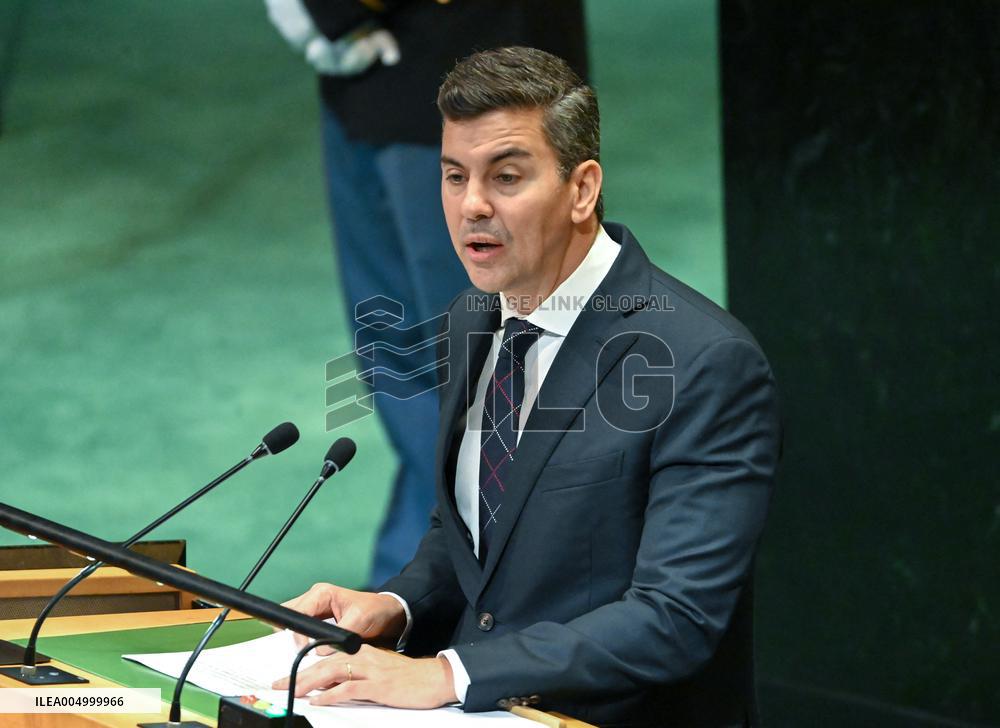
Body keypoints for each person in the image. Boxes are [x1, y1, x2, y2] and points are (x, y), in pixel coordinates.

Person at [274, 47, 782, 727]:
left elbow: (674, 619)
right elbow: (476, 538)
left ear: (582, 189)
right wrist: (396, 607)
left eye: (506, 177)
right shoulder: (471, 319)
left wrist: (450, 673)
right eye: (455, 177)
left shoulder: (704, 363)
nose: (472, 205)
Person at [266, 0, 589, 589]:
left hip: (478, 83)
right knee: (400, 366)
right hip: (365, 79)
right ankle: (418, 594)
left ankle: (459, 602)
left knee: (489, 372)